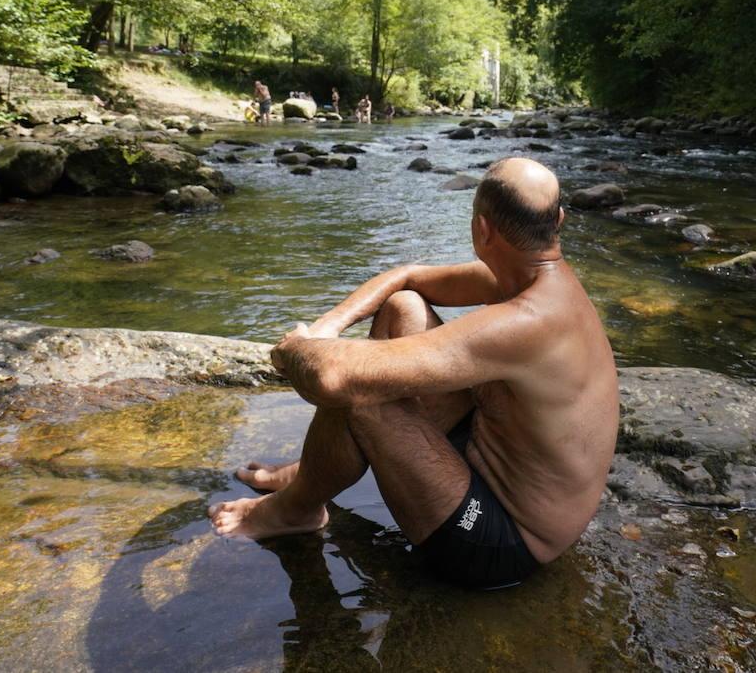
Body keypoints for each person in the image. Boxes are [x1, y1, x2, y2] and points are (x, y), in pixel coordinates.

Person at [209, 158, 619, 590]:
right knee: (402, 308)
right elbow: (408, 277)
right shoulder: (532, 278)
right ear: (558, 220)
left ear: (482, 230)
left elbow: (332, 378)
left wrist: (295, 350)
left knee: (362, 394)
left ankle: (293, 509)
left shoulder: (529, 320)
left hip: (502, 540)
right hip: (484, 454)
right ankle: (312, 472)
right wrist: (327, 327)